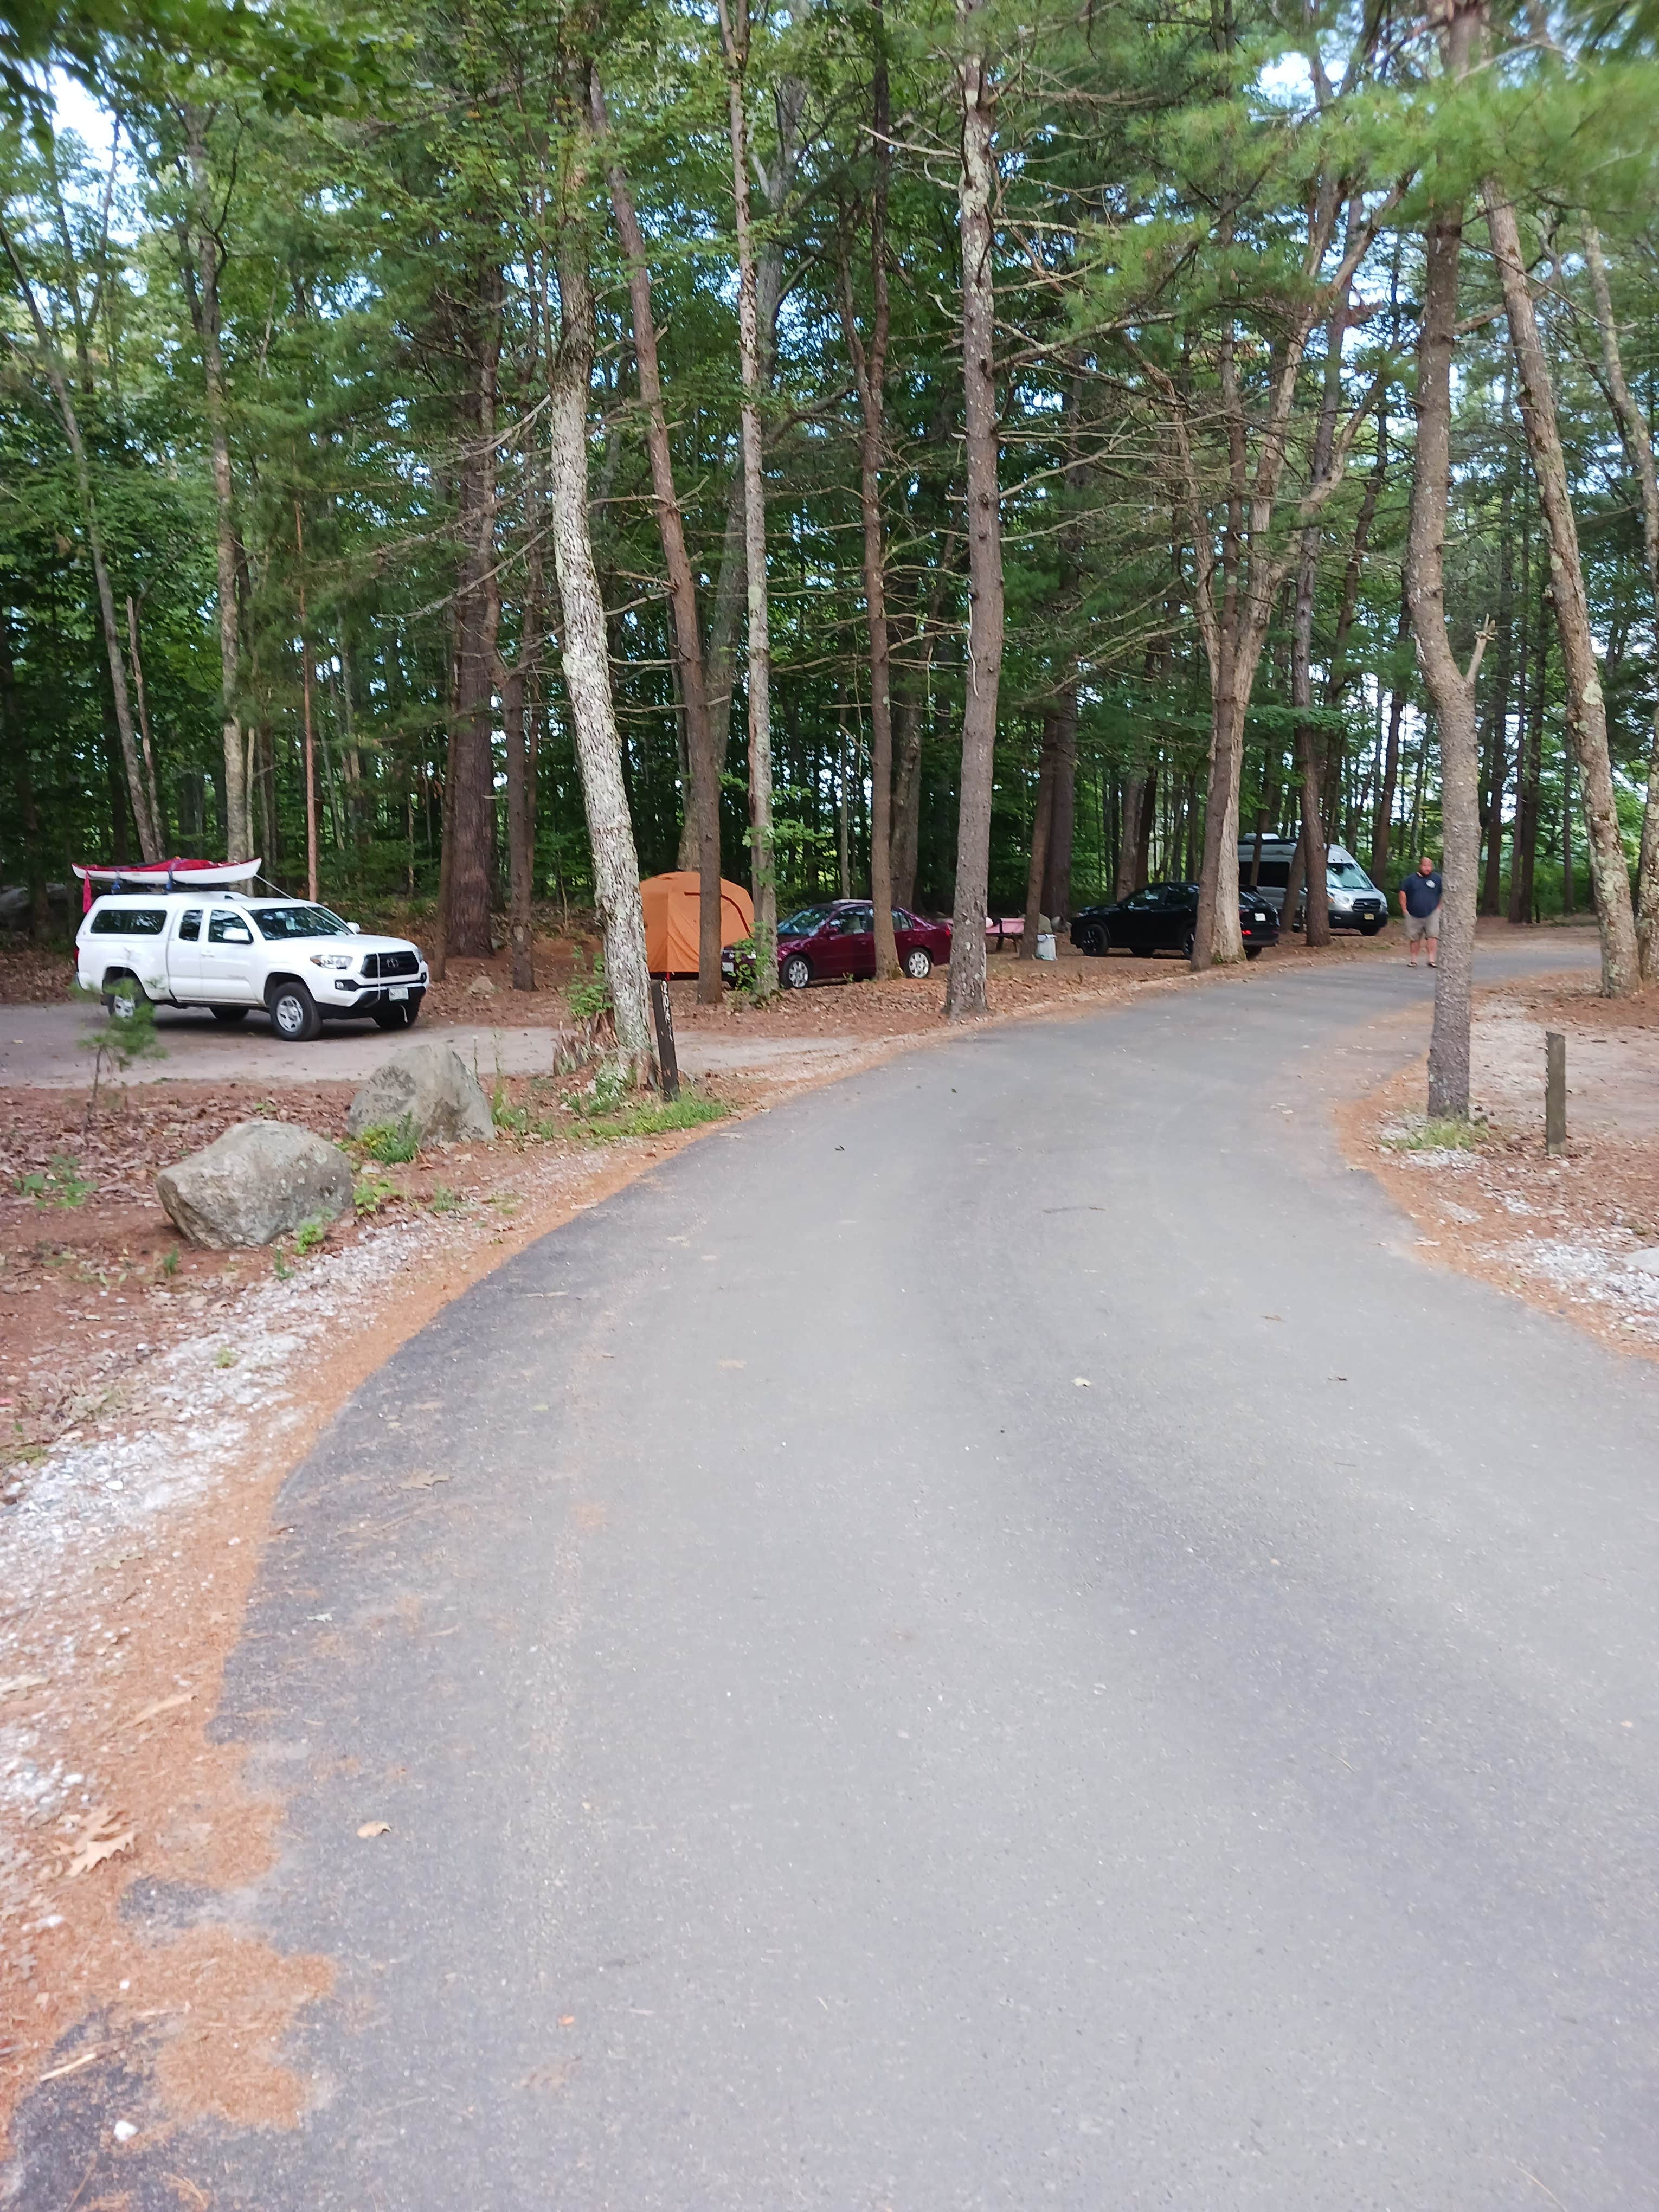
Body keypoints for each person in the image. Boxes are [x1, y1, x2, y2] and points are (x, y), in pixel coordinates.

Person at [1399, 854, 1443, 968]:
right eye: (1425, 866)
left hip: (1432, 912)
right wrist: (1404, 910)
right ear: (1420, 866)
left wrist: (1439, 907)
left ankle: (1431, 960)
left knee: (1433, 936)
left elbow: (1444, 893)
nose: (1428, 869)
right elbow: (1403, 893)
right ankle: (1414, 960)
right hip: (1413, 914)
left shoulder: (1437, 879)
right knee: (1414, 938)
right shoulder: (1410, 880)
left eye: (1430, 866)